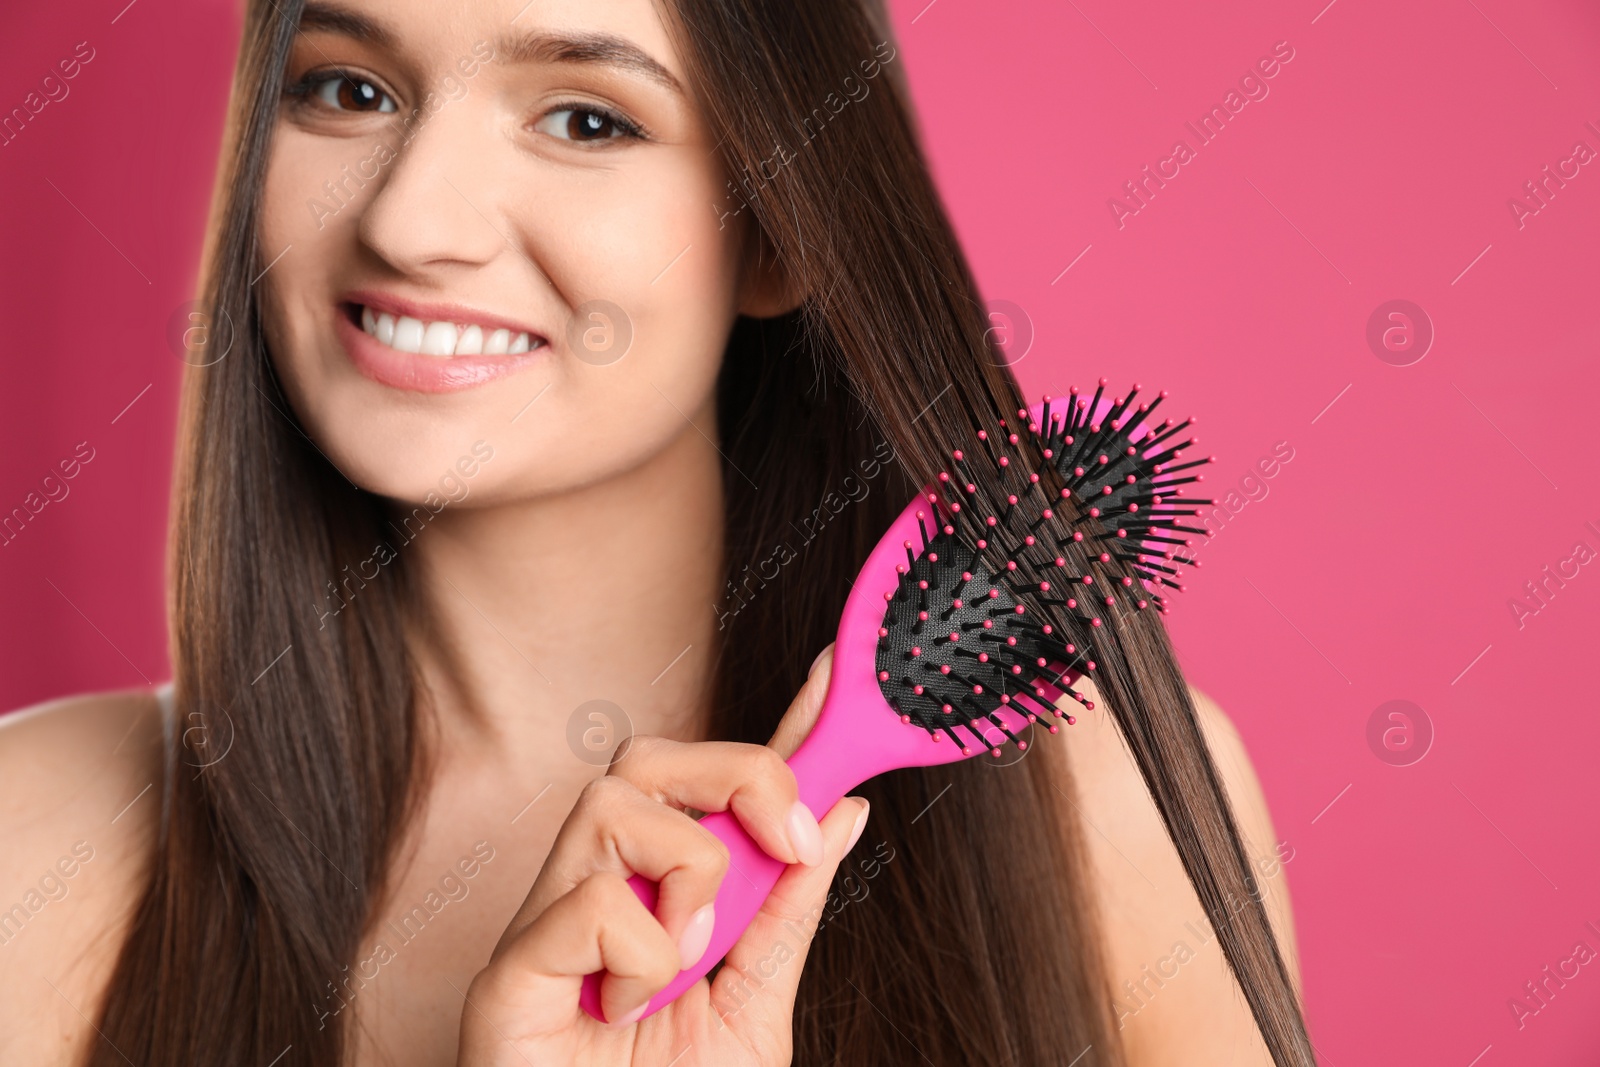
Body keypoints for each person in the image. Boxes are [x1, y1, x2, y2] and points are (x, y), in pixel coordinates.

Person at [0, 0, 1310, 1063]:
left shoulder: (1096, 811)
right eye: (348, 88)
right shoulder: (40, 840)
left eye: (584, 117)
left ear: (781, 231)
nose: (409, 222)